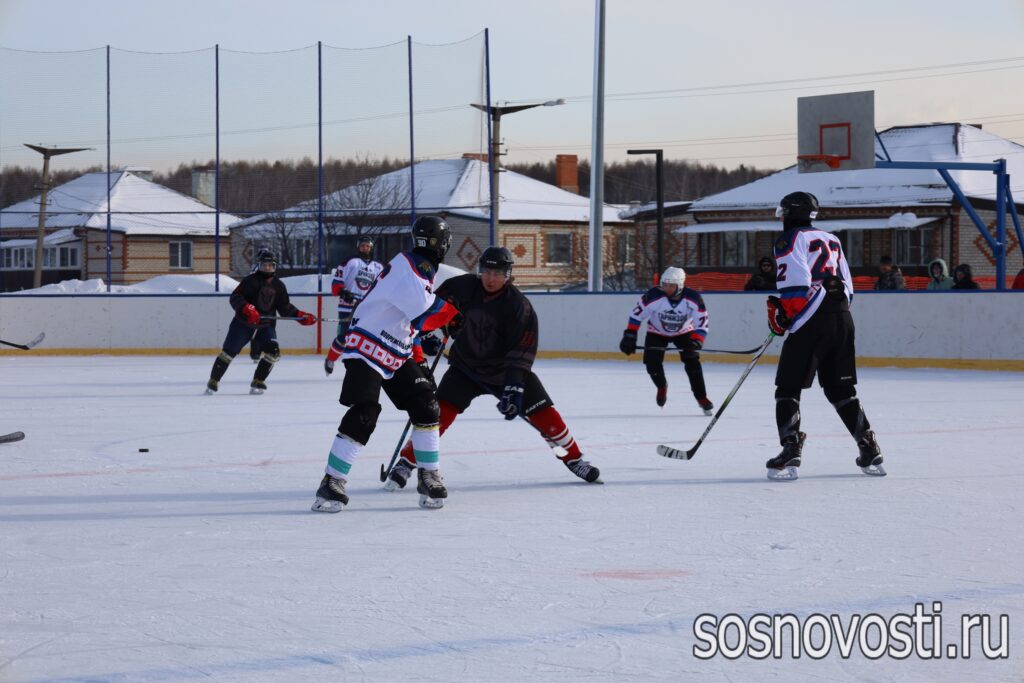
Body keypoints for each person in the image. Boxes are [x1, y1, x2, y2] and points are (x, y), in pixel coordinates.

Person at [385, 246, 602, 491]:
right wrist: (426, 334)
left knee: (544, 413)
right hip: (465, 368)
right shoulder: (463, 287)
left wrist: (513, 387)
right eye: (486, 271)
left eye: (497, 273)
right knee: (435, 415)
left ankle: (573, 458)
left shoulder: (518, 305)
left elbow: (522, 349)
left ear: (508, 274)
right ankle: (407, 461)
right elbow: (431, 308)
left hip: (504, 372)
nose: (490, 278)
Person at [312, 215, 460, 512]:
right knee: (365, 411)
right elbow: (424, 311)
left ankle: (428, 474)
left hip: (394, 350)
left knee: (426, 404)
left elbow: (408, 318)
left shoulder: (418, 267)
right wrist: (454, 315)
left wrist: (420, 342)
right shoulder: (411, 267)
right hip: (366, 347)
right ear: (442, 244)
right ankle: (332, 481)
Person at [765, 191, 885, 480]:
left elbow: (796, 280)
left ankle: (791, 448)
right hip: (842, 316)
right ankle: (869, 447)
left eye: (783, 212)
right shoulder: (832, 239)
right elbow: (847, 284)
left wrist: (789, 313)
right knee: (840, 389)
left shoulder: (789, 239)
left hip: (811, 317)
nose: (781, 218)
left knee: (788, 388)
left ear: (791, 213)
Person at [205, 250, 317, 395]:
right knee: (228, 353)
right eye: (264, 265)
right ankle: (214, 381)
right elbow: (235, 297)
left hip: (266, 325)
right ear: (259, 265)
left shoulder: (279, 286)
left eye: (271, 265)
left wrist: (300, 316)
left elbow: (284, 307)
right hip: (243, 324)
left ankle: (258, 380)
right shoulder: (249, 281)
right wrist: (246, 308)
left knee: (274, 353)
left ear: (275, 266)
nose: (267, 268)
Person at [618, 266, 714, 415]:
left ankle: (701, 398)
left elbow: (701, 323)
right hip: (656, 332)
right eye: (664, 284)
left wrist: (696, 342)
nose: (666, 288)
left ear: (680, 285)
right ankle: (661, 386)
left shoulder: (693, 298)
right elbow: (637, 315)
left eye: (671, 285)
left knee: (692, 362)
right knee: (651, 362)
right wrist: (630, 335)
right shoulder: (654, 295)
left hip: (684, 332)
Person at [331, 236, 384, 339]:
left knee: (364, 337)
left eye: (367, 246)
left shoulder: (378, 266)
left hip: (366, 308)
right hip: (347, 306)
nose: (365, 248)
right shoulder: (350, 262)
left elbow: (382, 287)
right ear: (358, 247)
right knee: (343, 337)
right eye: (362, 246)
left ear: (371, 248)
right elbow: (336, 282)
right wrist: (343, 292)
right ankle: (335, 355)